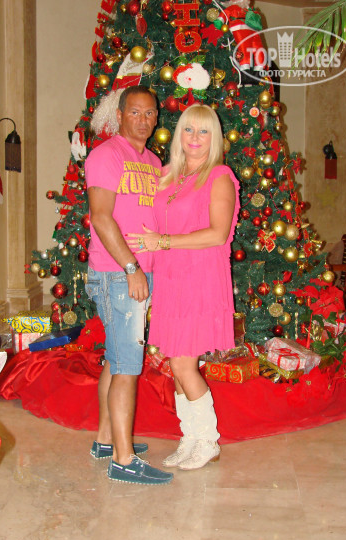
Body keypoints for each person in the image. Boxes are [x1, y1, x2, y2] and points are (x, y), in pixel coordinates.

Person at [126, 104, 240, 471]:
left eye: (203, 131)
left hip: (200, 278)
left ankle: (207, 440)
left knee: (183, 363)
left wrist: (164, 241)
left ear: (214, 138)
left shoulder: (219, 176)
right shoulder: (167, 176)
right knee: (176, 363)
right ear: (179, 135)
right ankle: (189, 437)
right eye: (189, 129)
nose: (195, 137)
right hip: (170, 277)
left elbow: (217, 233)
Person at [85, 85, 173, 485]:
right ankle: (123, 460)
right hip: (117, 273)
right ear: (119, 116)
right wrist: (131, 267)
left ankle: (106, 440)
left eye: (150, 113)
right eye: (135, 112)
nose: (143, 120)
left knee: (115, 357)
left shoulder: (153, 162)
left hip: (142, 271)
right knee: (126, 366)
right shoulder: (107, 155)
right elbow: (101, 217)